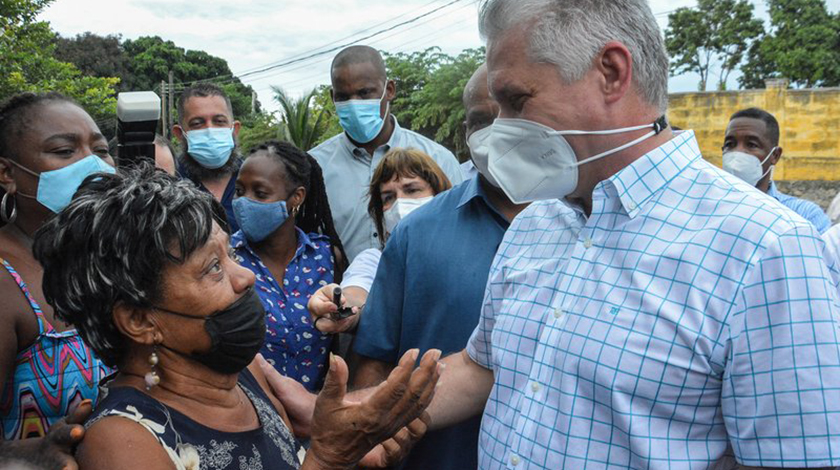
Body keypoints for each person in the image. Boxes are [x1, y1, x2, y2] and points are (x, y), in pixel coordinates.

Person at [265, 1, 840, 469]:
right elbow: (483, 368)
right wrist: (353, 415)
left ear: (611, 72)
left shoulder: (767, 250)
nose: (499, 132)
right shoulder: (538, 220)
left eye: (516, 101)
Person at [32, 164, 441, 470]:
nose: (245, 276)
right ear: (140, 321)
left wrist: (352, 448)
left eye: (230, 254)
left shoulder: (244, 372)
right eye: (213, 267)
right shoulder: (120, 441)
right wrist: (331, 458)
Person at [312, 63, 528, 470]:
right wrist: (365, 436)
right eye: (481, 121)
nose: (497, 132)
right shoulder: (415, 234)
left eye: (412, 190)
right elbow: (372, 340)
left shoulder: (578, 222)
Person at [0, 92, 114, 446]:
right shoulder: (5, 281)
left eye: (101, 150)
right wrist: (28, 456)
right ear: (7, 173)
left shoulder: (114, 261)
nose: (92, 165)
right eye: (65, 151)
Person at [309, 45, 464, 262]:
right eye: (343, 96)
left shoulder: (437, 159)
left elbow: (460, 233)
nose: (354, 104)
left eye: (365, 93)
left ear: (389, 90)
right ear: (333, 97)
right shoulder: (314, 167)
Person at [232, 140, 347, 392]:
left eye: (260, 193)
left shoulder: (325, 256)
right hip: (252, 408)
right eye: (239, 191)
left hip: (317, 408)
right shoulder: (228, 260)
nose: (244, 202)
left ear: (296, 197)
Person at [308, 147, 453, 335]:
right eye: (388, 197)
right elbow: (356, 291)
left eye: (412, 190)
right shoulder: (374, 261)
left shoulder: (468, 251)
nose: (400, 204)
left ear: (439, 194)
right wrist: (339, 306)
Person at [722, 107, 830, 232]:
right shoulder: (709, 207)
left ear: (775, 155)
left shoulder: (804, 215)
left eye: (751, 145)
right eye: (730, 144)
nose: (738, 152)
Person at [172, 83, 243, 232]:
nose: (210, 130)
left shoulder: (254, 177)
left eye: (219, 121)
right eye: (197, 123)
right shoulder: (170, 183)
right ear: (180, 134)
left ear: (234, 129)